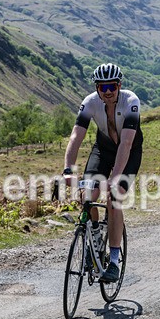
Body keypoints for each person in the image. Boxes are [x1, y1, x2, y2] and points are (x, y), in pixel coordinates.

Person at [63, 63, 143, 283]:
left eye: (112, 86)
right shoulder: (90, 103)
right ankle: (96, 238)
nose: (107, 92)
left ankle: (115, 260)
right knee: (88, 194)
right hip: (103, 150)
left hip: (129, 151)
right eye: (102, 87)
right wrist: (68, 169)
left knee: (113, 198)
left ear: (119, 85)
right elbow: (75, 137)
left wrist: (114, 178)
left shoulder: (131, 102)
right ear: (97, 88)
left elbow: (126, 144)